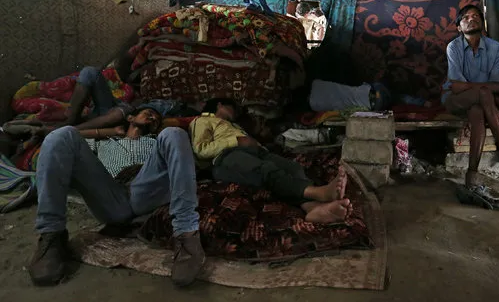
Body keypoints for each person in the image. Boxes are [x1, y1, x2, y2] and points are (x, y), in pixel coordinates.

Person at [28, 106, 204, 288]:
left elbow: (181, 161)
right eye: (148, 114)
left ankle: (187, 236)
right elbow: (62, 152)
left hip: (144, 189)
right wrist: (110, 131)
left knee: (174, 133)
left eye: (156, 119)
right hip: (111, 194)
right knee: (61, 135)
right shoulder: (105, 142)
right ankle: (52, 235)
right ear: (130, 118)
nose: (152, 118)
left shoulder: (156, 142)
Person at [189, 98, 351, 223]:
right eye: (232, 107)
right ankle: (320, 193)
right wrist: (236, 141)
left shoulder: (233, 125)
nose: (236, 112)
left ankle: (312, 208)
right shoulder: (202, 121)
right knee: (266, 169)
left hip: (256, 152)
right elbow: (201, 149)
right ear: (219, 105)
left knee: (293, 168)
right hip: (227, 157)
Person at [442, 5, 499, 202]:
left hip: (480, 103)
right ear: (459, 27)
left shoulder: (497, 49)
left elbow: (498, 83)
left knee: (477, 112)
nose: (471, 19)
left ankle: (471, 175)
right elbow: (456, 86)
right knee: (483, 94)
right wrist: (490, 95)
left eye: (476, 16)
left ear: (483, 23)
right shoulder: (454, 47)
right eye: (465, 17)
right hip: (455, 100)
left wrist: (486, 92)